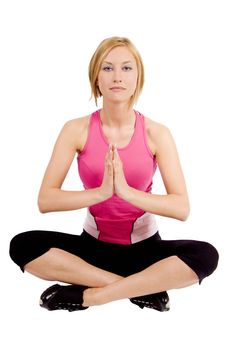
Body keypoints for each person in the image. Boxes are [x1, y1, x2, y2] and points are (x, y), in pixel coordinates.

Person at [9, 37, 219, 312]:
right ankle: (138, 288)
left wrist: (127, 192)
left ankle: (92, 295)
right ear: (96, 78)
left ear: (137, 78)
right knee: (22, 245)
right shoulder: (76, 129)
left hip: (146, 252)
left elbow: (181, 208)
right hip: (90, 252)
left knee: (206, 255)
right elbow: (46, 201)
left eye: (126, 68)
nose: (117, 77)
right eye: (107, 68)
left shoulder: (157, 133)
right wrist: (100, 193)